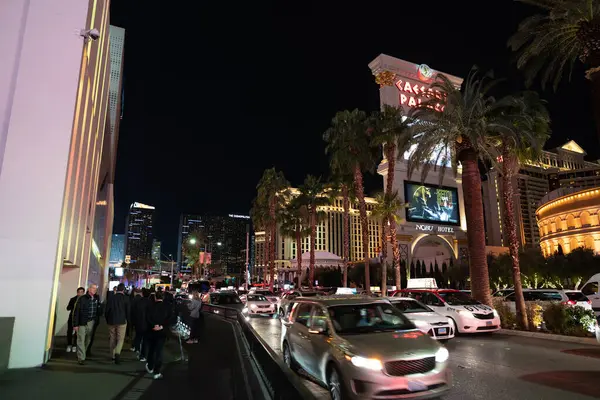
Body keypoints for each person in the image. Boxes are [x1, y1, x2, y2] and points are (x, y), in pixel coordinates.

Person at [145, 291, 172, 380]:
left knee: (151, 349)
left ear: (155, 297)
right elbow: (170, 319)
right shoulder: (167, 307)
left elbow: (147, 318)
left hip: (151, 331)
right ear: (163, 297)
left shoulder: (150, 306)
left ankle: (150, 366)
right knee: (159, 351)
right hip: (162, 332)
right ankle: (157, 371)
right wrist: (161, 326)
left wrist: (154, 325)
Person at [72, 284, 99, 365]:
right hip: (82, 322)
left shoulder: (96, 298)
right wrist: (75, 325)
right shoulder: (82, 298)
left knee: (88, 340)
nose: (94, 290)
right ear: (89, 289)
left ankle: (83, 352)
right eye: (93, 288)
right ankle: (81, 357)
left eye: (95, 288)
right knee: (81, 339)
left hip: (91, 322)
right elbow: (76, 312)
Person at [105, 283, 130, 364]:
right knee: (120, 338)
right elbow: (128, 311)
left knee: (112, 337)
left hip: (111, 320)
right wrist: (128, 320)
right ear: (123, 290)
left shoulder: (111, 298)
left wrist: (107, 319)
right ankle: (117, 353)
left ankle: (112, 355)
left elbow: (107, 310)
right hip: (122, 321)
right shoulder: (126, 298)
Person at [131, 288, 151, 361]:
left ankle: (137, 348)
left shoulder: (139, 302)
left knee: (138, 336)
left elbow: (135, 312)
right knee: (145, 340)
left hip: (138, 322)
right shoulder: (150, 303)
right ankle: (143, 355)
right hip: (147, 324)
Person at [66, 287, 85, 353]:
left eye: (81, 292)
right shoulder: (73, 299)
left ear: (83, 293)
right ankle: (69, 344)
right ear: (77, 292)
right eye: (79, 292)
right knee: (69, 331)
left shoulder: (84, 300)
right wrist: (74, 306)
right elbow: (68, 308)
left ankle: (74, 345)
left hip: (80, 319)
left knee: (77, 333)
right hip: (72, 317)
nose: (80, 293)